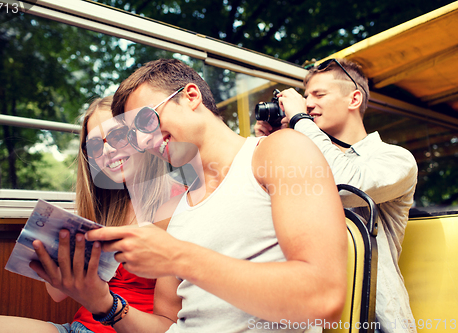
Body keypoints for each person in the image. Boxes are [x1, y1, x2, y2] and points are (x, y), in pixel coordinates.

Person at [38, 58, 349, 333]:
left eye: (146, 119)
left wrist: (177, 256)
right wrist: (104, 304)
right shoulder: (180, 206)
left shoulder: (279, 150)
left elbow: (324, 297)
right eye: (135, 133)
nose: (144, 140)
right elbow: (167, 324)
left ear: (190, 96)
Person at [0, 96, 185, 333]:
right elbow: (56, 295)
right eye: (96, 145)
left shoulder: (178, 205)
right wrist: (56, 256)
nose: (107, 150)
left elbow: (167, 326)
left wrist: (106, 304)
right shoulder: (105, 206)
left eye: (118, 136)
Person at [255, 58, 418, 333]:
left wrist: (300, 122)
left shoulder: (396, 158)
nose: (307, 104)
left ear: (354, 99)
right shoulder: (299, 154)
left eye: (319, 95)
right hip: (307, 317)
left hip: (374, 321)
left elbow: (345, 183)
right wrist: (270, 145)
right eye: (305, 97)